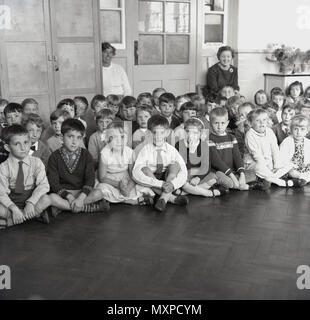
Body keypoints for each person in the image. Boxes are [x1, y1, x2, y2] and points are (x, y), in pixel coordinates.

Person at [46, 118, 108, 215]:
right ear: (61, 138)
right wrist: (69, 197)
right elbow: (53, 183)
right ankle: (86, 207)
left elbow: (90, 180)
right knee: (51, 198)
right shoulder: (54, 157)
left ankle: (64, 207)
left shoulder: (86, 155)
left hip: (81, 192)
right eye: (70, 137)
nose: (74, 142)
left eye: (78, 138)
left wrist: (81, 198)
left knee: (99, 193)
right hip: (64, 194)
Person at [86, 122, 154, 207]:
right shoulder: (104, 153)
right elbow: (102, 177)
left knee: (142, 185)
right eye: (114, 137)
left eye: (122, 137)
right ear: (108, 139)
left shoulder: (129, 152)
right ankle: (130, 200)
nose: (119, 141)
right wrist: (118, 185)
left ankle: (125, 198)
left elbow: (133, 174)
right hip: (109, 179)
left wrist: (128, 188)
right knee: (102, 189)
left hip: (126, 177)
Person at [132, 114, 188, 212]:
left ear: (167, 133)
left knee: (175, 165)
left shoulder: (171, 150)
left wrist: (173, 184)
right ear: (149, 133)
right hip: (153, 179)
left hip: (167, 178)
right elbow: (136, 172)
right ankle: (170, 198)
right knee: (144, 169)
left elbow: (184, 170)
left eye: (161, 133)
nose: (158, 136)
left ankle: (164, 196)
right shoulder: (144, 149)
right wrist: (160, 184)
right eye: (154, 132)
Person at [0, 125, 50, 228]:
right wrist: (13, 208)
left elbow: (44, 185)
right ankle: (32, 215)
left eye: (26, 143)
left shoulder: (36, 162)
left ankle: (10, 222)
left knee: (47, 199)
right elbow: (1, 193)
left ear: (30, 142)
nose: (23, 148)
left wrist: (31, 203)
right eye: (17, 144)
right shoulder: (3, 167)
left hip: (31, 198)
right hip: (11, 202)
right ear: (7, 147)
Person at [245, 108, 305, 188]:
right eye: (258, 120)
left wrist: (276, 165)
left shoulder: (269, 131)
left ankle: (269, 178)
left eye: (264, 120)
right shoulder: (250, 135)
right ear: (250, 123)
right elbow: (257, 156)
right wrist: (268, 168)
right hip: (253, 163)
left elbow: (274, 149)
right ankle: (283, 182)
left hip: (269, 161)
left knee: (289, 164)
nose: (262, 123)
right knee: (259, 167)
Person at [175, 118, 228, 198]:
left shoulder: (203, 145)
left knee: (213, 177)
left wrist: (198, 178)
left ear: (200, 134)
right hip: (185, 173)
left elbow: (206, 166)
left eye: (195, 133)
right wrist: (191, 153)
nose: (190, 135)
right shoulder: (179, 144)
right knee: (181, 181)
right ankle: (208, 193)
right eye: (188, 131)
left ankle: (185, 192)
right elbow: (183, 167)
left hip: (198, 173)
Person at [209, 107, 257, 191]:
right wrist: (232, 176)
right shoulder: (209, 139)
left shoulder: (231, 137)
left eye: (222, 123)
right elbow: (216, 162)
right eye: (216, 123)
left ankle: (235, 184)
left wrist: (242, 174)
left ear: (227, 123)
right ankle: (239, 185)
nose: (219, 127)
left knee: (253, 174)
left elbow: (237, 156)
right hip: (219, 172)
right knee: (217, 177)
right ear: (210, 123)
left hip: (233, 171)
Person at [279, 115, 310, 183]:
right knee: (291, 173)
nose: (298, 132)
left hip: (304, 167)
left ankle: (303, 179)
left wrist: (306, 164)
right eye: (296, 129)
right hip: (291, 167)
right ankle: (302, 178)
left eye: (302, 129)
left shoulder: (308, 142)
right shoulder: (287, 141)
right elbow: (282, 159)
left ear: (307, 131)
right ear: (291, 129)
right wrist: (290, 167)